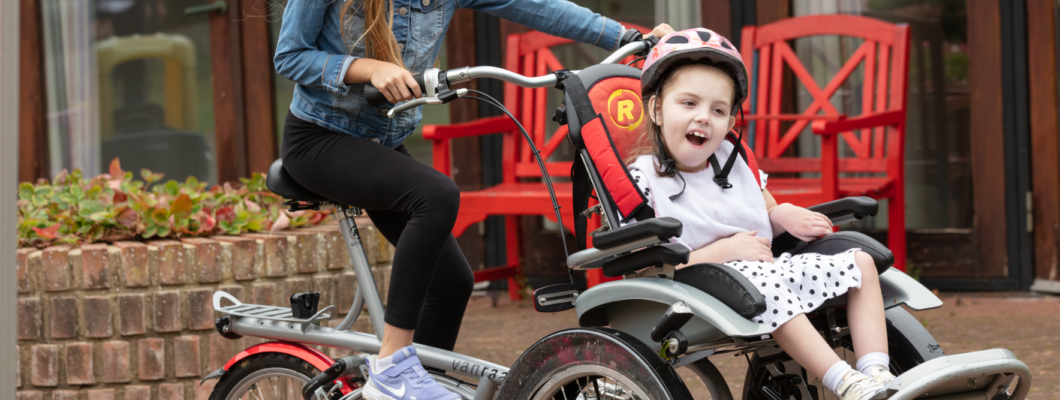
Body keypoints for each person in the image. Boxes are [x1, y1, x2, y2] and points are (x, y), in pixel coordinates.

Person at [273, 0, 672, 398]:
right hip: (319, 139)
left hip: (383, 142)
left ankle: (414, 387)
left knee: (451, 283)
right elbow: (290, 56)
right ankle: (392, 366)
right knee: (436, 194)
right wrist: (369, 69)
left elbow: (536, 6)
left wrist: (628, 37)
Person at [625, 28, 895, 400]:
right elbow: (643, 263)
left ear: (730, 124)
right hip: (696, 282)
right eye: (689, 104)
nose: (704, 118)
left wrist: (784, 215)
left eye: (718, 110)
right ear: (656, 109)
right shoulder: (643, 180)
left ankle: (877, 373)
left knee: (860, 264)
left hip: (766, 269)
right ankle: (844, 381)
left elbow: (764, 203)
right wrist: (723, 252)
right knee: (767, 287)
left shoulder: (733, 164)